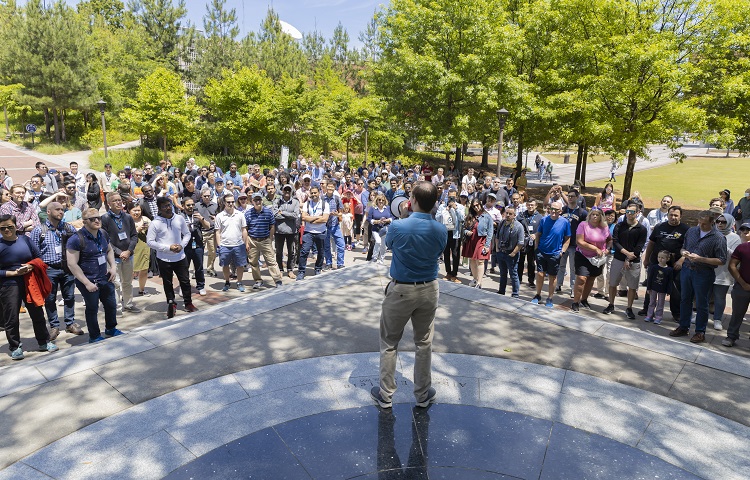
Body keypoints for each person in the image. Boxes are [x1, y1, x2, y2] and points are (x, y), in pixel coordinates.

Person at [370, 181, 447, 409]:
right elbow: (439, 250)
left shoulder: (398, 226)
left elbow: (390, 244)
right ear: (434, 203)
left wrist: (403, 216)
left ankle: (386, 394)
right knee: (424, 343)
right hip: (429, 288)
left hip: (401, 290)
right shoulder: (440, 229)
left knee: (389, 342)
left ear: (412, 200)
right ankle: (423, 394)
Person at [0, 214, 57, 359]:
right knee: (11, 317)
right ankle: (15, 346)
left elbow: (38, 257)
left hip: (30, 281)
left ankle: (44, 341)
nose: (7, 230)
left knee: (37, 312)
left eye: (10, 227)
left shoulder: (25, 239)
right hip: (9, 284)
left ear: (16, 226)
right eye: (2, 228)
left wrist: (30, 266)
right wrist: (12, 273)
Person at [670, 210, 728, 343]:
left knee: (702, 303)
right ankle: (683, 327)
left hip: (703, 273)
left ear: (712, 223)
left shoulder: (718, 237)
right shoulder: (691, 231)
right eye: (699, 222)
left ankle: (700, 332)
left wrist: (701, 259)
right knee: (685, 299)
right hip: (687, 270)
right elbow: (683, 247)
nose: (701, 226)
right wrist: (683, 252)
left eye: (704, 224)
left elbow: (721, 260)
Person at [29, 202, 84, 340]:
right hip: (49, 270)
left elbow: (77, 245)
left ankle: (70, 323)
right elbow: (33, 251)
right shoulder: (39, 230)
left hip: (67, 268)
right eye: (57, 209)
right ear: (48, 212)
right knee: (50, 298)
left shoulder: (68, 228)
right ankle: (54, 325)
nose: (61, 211)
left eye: (62, 209)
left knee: (69, 297)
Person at [66, 208, 121, 343]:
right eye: (92, 219)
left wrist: (113, 267)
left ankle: (111, 328)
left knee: (111, 304)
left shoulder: (102, 233)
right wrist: (86, 283)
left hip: (105, 277)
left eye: (98, 217)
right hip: (88, 280)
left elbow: (109, 250)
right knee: (92, 308)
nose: (97, 220)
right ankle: (94, 335)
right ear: (84, 222)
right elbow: (72, 264)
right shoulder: (76, 239)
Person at [147, 197, 198, 318]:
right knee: (167, 282)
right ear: (159, 208)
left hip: (180, 257)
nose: (168, 208)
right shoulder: (155, 223)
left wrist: (181, 245)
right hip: (164, 259)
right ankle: (171, 303)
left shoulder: (179, 218)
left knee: (185, 281)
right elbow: (150, 242)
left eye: (169, 205)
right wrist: (168, 248)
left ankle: (188, 303)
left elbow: (187, 234)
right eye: (164, 206)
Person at [603, 204, 648, 318]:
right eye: (627, 211)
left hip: (634, 261)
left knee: (632, 287)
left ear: (637, 213)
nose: (629, 214)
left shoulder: (642, 229)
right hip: (618, 258)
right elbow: (616, 241)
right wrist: (625, 253)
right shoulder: (619, 226)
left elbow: (640, 246)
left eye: (632, 212)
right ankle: (611, 304)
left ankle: (629, 308)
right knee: (613, 283)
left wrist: (629, 258)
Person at [101, 192, 140, 314]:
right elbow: (105, 240)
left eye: (119, 200)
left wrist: (128, 251)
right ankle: (117, 308)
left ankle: (128, 304)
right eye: (115, 201)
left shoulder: (127, 217)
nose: (118, 202)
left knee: (127, 282)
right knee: (115, 283)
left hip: (128, 256)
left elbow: (134, 236)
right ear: (109, 204)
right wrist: (119, 252)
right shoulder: (105, 219)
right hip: (114, 258)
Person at [570, 209, 611, 312]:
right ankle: (575, 302)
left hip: (597, 258)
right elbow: (579, 241)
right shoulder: (583, 225)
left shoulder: (604, 227)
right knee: (581, 278)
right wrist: (595, 248)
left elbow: (609, 240)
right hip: (583, 255)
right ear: (589, 215)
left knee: (591, 279)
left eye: (597, 215)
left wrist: (607, 249)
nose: (595, 217)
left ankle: (584, 300)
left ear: (601, 216)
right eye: (593, 214)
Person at [531, 201, 571, 308]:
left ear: (560, 211)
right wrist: (536, 248)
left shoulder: (565, 222)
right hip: (542, 251)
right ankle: (538, 295)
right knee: (540, 274)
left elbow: (567, 239)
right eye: (552, 209)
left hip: (555, 253)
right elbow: (538, 234)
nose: (553, 211)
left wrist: (562, 251)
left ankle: (550, 298)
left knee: (552, 277)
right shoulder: (544, 220)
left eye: (556, 210)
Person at [245, 192, 283, 289]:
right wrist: (246, 242)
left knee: (271, 260)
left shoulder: (268, 212)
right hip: (252, 240)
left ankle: (278, 280)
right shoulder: (248, 213)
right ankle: (258, 280)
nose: (258, 202)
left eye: (259, 200)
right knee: (253, 262)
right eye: (255, 200)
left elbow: (272, 226)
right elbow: (245, 228)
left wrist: (270, 238)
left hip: (265, 239)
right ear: (252, 201)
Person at [710, 213, 740, 330]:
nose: (720, 224)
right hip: (709, 270)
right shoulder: (711, 233)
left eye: (723, 222)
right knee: (705, 296)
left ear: (729, 223)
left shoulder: (735, 238)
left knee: (719, 298)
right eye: (718, 222)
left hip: (724, 273)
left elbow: (736, 256)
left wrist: (724, 246)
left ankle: (717, 319)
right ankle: (701, 315)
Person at [722, 222, 750, 347]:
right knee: (737, 314)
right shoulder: (742, 248)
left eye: (748, 230)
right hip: (742, 287)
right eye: (743, 230)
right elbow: (732, 266)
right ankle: (731, 336)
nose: (745, 232)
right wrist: (743, 283)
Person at [215, 193, 249, 291]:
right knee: (225, 265)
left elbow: (244, 230)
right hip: (225, 245)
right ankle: (227, 282)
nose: (231, 204)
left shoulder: (240, 214)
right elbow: (217, 232)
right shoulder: (219, 216)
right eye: (228, 202)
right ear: (224, 203)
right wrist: (219, 245)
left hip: (239, 244)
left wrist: (246, 243)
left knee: (240, 265)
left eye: (232, 202)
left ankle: (239, 282)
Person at [556, 190, 588, 296]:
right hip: (562, 242)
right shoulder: (563, 210)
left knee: (573, 267)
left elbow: (586, 228)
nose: (570, 198)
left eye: (572, 196)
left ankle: (573, 288)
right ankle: (558, 284)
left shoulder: (582, 212)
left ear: (577, 197)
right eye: (568, 196)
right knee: (561, 265)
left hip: (575, 244)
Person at [297, 186, 330, 279]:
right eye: (312, 193)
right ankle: (301, 271)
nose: (314, 195)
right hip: (308, 232)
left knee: (321, 252)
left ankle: (318, 268)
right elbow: (303, 217)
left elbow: (325, 219)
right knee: (304, 251)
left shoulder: (325, 204)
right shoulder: (306, 204)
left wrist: (310, 219)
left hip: (321, 232)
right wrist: (317, 217)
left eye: (315, 193)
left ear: (319, 193)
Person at [494, 205, 525, 298]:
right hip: (501, 252)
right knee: (502, 273)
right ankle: (501, 291)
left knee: (513, 274)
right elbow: (497, 237)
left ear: (514, 215)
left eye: (510, 214)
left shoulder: (519, 226)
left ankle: (515, 294)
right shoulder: (502, 223)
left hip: (511, 254)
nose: (507, 215)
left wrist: (514, 253)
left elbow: (520, 242)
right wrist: (497, 249)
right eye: (506, 213)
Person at [462, 199, 493, 288]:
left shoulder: (487, 216)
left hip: (481, 240)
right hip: (471, 240)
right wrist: (466, 232)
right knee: (472, 260)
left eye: (477, 205)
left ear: (481, 204)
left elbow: (490, 232)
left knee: (480, 261)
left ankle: (479, 282)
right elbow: (464, 228)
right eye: (474, 206)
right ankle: (475, 279)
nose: (476, 207)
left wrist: (487, 245)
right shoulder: (471, 216)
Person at [181, 197, 209, 296]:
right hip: (185, 246)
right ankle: (183, 287)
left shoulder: (198, 215)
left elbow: (208, 226)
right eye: (188, 205)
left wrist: (201, 219)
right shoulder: (180, 217)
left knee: (199, 267)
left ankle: (200, 286)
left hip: (198, 244)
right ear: (183, 206)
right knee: (184, 268)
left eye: (192, 204)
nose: (191, 207)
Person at [274, 184, 300, 279]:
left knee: (291, 252)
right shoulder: (277, 201)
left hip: (291, 231)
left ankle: (290, 270)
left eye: (289, 190)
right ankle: (280, 270)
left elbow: (295, 215)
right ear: (282, 191)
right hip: (279, 231)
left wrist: (283, 213)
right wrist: (288, 216)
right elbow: (275, 215)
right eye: (285, 190)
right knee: (279, 252)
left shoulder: (295, 202)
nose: (287, 192)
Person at [437, 197, 464, 282]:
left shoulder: (460, 207)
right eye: (450, 197)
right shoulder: (442, 206)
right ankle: (448, 272)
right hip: (445, 232)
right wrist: (445, 210)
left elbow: (462, 218)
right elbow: (437, 217)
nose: (451, 200)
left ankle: (454, 274)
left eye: (453, 198)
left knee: (456, 254)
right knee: (446, 253)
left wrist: (455, 208)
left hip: (455, 233)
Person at [644, 250, 674, 324]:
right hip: (653, 288)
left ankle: (658, 317)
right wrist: (648, 288)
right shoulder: (654, 267)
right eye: (659, 257)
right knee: (652, 302)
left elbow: (670, 281)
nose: (660, 259)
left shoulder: (669, 270)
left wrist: (669, 290)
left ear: (667, 259)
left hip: (662, 289)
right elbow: (650, 278)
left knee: (660, 304)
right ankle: (649, 315)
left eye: (663, 258)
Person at [517, 198, 542, 287]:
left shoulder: (540, 217)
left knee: (531, 262)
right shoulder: (521, 215)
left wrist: (535, 235)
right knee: (520, 261)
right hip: (522, 242)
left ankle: (531, 281)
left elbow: (542, 230)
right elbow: (516, 225)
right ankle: (518, 279)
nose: (530, 206)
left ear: (536, 206)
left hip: (533, 243)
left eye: (532, 205)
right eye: (528, 205)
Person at [322, 182, 346, 270]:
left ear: (334, 189)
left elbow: (341, 213)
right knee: (326, 245)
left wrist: (336, 214)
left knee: (341, 244)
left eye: (332, 187)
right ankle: (328, 262)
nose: (330, 188)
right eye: (329, 186)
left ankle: (340, 263)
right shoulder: (322, 199)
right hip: (325, 225)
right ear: (326, 187)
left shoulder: (337, 198)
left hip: (335, 225)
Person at [128, 204, 151, 296]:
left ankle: (142, 289)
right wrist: (137, 229)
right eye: (134, 210)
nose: (137, 212)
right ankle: (127, 292)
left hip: (144, 246)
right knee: (130, 272)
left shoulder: (145, 219)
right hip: (132, 248)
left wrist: (148, 228)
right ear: (129, 211)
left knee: (144, 269)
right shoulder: (126, 220)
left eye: (138, 210)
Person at [196, 189, 219, 277]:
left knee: (212, 252)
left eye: (208, 196)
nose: (207, 197)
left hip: (212, 232)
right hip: (201, 232)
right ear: (201, 196)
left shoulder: (215, 205)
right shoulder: (197, 205)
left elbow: (218, 217)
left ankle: (210, 268)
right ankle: (197, 270)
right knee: (198, 252)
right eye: (205, 196)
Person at [366, 193, 393, 265]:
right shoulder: (372, 208)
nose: (381, 201)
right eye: (379, 200)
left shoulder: (388, 208)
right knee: (378, 242)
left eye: (382, 200)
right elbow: (368, 218)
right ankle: (374, 257)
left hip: (385, 229)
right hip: (375, 229)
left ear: (385, 201)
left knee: (383, 245)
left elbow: (392, 217)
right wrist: (375, 221)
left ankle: (381, 259)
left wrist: (387, 220)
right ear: (377, 201)